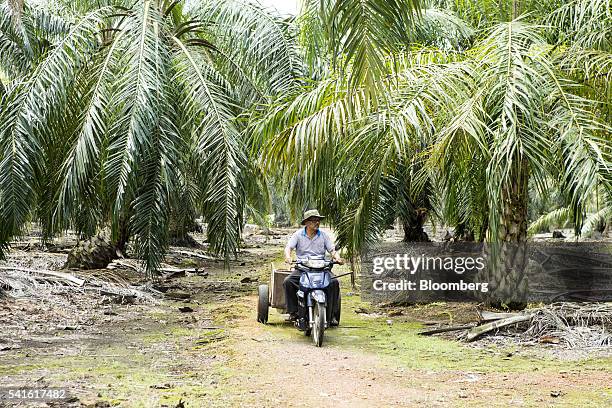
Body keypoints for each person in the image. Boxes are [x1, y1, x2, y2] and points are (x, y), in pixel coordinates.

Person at [283, 209, 343, 325]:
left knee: (334, 283)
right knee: (288, 282)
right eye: (313, 220)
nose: (317, 223)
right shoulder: (298, 235)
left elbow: (332, 250)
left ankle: (333, 316)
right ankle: (294, 313)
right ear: (306, 223)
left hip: (322, 269)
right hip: (303, 269)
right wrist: (288, 257)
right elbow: (288, 248)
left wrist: (337, 258)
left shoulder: (324, 236)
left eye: (318, 220)